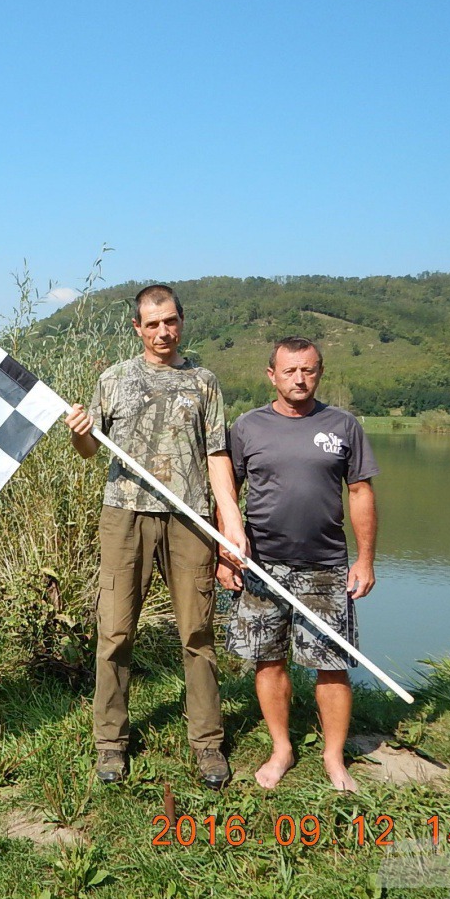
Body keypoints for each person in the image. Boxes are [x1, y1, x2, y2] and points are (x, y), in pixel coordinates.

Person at [64, 284, 248, 789]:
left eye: (170, 321)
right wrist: (79, 429)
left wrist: (230, 524)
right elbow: (87, 450)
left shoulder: (204, 382)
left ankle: (208, 745)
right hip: (124, 517)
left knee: (198, 633)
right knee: (116, 632)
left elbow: (216, 457)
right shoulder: (114, 379)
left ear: (181, 321)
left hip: (190, 520)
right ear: (137, 328)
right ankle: (111, 745)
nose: (163, 331)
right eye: (152, 324)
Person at [221, 336, 378, 792]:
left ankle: (334, 757)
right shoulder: (247, 427)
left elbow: (361, 493)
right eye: (289, 370)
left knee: (331, 664)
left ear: (320, 372)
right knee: (268, 661)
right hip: (261, 566)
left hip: (326, 565)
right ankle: (282, 748)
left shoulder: (343, 425)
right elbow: (226, 496)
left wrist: (365, 560)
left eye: (308, 370)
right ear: (272, 375)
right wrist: (225, 554)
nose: (299, 378)